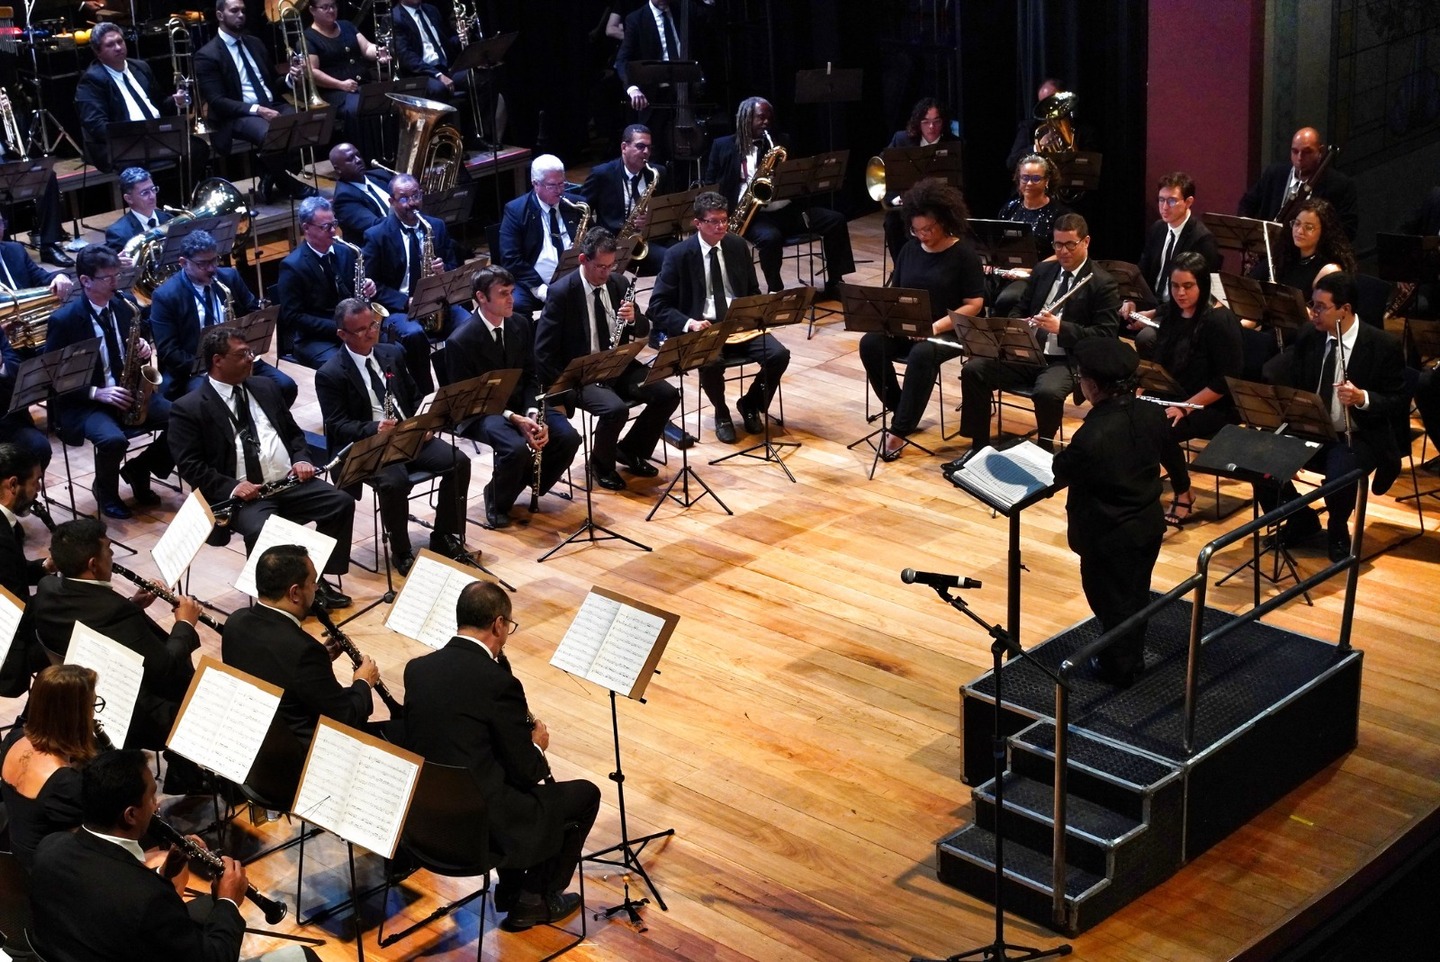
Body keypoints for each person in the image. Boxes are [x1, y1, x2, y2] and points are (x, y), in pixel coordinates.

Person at [402, 581, 599, 932]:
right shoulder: (497, 682)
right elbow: (526, 771)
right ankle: (533, 899)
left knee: (500, 780)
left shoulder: (417, 670)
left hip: (429, 820)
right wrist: (537, 743)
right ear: (498, 625)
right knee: (583, 795)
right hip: (480, 829)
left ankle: (510, 888)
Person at [29, 749, 321, 962]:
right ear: (130, 815)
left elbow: (107, 900)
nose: (156, 806)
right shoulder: (148, 900)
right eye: (151, 797)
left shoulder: (51, 848)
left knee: (206, 907)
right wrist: (230, 901)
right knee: (303, 957)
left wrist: (164, 875)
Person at [170, 328, 355, 609]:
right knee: (263, 529)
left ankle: (313, 582)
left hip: (287, 482)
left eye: (250, 352)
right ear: (218, 360)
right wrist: (233, 487)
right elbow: (190, 466)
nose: (251, 359)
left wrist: (301, 459)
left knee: (340, 502)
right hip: (245, 498)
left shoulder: (266, 387)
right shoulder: (189, 407)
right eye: (242, 354)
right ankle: (274, 602)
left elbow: (294, 434)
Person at [1259, 272, 1409, 562]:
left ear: (1346, 310)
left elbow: (1397, 400)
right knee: (1260, 460)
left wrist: (1362, 398)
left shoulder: (1382, 346)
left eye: (1320, 307)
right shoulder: (1309, 336)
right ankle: (1301, 520)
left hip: (1357, 435)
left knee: (1339, 478)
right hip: (1312, 429)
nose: (1312, 313)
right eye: (1312, 305)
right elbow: (1293, 380)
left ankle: (1338, 528)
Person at [316, 298, 471, 571]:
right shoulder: (330, 374)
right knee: (395, 481)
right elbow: (337, 425)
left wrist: (425, 421)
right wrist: (373, 428)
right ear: (342, 334)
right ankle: (401, 550)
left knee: (458, 462)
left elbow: (412, 395)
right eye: (361, 329)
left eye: (373, 325)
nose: (371, 332)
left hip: (407, 435)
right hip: (370, 446)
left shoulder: (392, 353)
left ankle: (444, 535)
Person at [1051, 338, 1170, 687]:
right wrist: (1182, 484)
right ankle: (1129, 655)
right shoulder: (1151, 412)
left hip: (1107, 535)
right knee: (1135, 593)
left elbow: (1063, 468)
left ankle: (1119, 667)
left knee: (1109, 601)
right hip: (1147, 526)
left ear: (1093, 385)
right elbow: (1170, 452)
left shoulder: (1093, 434)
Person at [32, 519, 201, 756]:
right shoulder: (114, 611)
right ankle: (185, 768)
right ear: (93, 564)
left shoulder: (47, 587)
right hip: (127, 709)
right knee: (201, 694)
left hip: (78, 694)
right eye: (109, 550)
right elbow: (165, 666)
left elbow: (93, 623)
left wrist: (134, 604)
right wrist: (185, 623)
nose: (112, 555)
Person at [959, 213, 1120, 452]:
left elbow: (1106, 336)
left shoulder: (1101, 283)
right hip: (1028, 353)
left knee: (1047, 392)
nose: (1063, 251)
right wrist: (1020, 324)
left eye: (1070, 244)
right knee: (974, 370)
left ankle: (1044, 450)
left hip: (1065, 360)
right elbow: (1018, 308)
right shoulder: (1044, 272)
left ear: (1086, 242)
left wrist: (1061, 328)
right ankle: (978, 446)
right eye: (1058, 244)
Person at [535, 228, 678, 491]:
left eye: (610, 266)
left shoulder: (619, 284)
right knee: (615, 410)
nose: (606, 273)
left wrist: (635, 318)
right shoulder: (562, 293)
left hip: (617, 365)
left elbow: (644, 330)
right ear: (583, 260)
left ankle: (629, 450)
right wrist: (565, 388)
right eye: (600, 266)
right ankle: (601, 464)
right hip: (581, 373)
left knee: (667, 394)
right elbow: (543, 352)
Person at [858, 178, 985, 460]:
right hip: (912, 327)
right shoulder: (910, 249)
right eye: (916, 230)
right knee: (870, 344)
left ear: (944, 220)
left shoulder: (963, 254)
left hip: (951, 331)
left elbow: (975, 305)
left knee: (922, 354)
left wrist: (935, 327)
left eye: (928, 229)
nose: (923, 235)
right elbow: (897, 293)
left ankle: (900, 430)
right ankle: (901, 406)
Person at [649, 190, 790, 444]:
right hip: (702, 327)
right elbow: (657, 305)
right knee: (711, 361)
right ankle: (722, 412)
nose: (721, 226)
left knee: (779, 355)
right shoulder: (678, 255)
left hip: (737, 324)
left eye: (724, 220)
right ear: (698, 223)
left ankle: (750, 403)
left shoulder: (737, 245)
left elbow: (752, 291)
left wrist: (753, 313)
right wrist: (689, 323)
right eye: (713, 221)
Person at [43, 244, 171, 520]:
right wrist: (96, 392)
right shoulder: (64, 321)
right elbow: (52, 376)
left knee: (184, 417)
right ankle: (106, 492)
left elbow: (140, 341)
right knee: (113, 440)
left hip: (129, 391)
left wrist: (146, 348)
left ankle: (140, 468)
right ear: (85, 281)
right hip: (85, 402)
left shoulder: (125, 306)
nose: (116, 282)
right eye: (108, 278)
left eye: (117, 275)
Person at [447, 267, 580, 527]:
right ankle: (496, 498)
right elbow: (467, 400)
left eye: (512, 292)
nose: (512, 299)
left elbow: (531, 375)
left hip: (521, 403)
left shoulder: (519, 323)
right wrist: (512, 417)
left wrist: (531, 411)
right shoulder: (460, 341)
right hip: (482, 412)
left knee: (568, 437)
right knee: (516, 449)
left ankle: (522, 483)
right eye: (503, 294)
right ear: (481, 298)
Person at [222, 544, 378, 743]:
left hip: (256, 733)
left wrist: (317, 667)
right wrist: (363, 682)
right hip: (298, 750)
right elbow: (345, 719)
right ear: (294, 593)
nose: (317, 588)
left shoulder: (235, 620)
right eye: (313, 582)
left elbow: (272, 665)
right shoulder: (304, 650)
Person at [704, 96, 855, 297]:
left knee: (835, 220)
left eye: (768, 118)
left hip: (786, 209)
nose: (766, 122)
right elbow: (710, 184)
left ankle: (836, 281)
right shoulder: (722, 145)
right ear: (745, 119)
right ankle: (776, 289)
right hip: (752, 214)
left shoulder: (779, 143)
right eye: (760, 118)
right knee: (770, 238)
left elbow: (799, 175)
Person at [1142, 252, 1244, 527]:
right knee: (1131, 416)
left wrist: (1186, 407)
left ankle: (1184, 491)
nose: (1180, 293)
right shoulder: (1173, 313)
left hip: (1213, 404)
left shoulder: (1218, 320)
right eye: (1175, 286)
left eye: (1188, 286)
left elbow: (1227, 380)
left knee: (1162, 429)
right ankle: (1139, 487)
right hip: (1177, 394)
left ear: (1202, 285)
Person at [149, 229, 297, 404]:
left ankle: (266, 426)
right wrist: (213, 366)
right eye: (203, 264)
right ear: (183, 263)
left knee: (285, 386)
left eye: (214, 260)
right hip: (194, 371)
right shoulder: (166, 296)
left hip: (238, 358)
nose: (212, 269)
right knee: (219, 401)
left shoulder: (229, 277)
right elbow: (169, 352)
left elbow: (252, 312)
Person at [195, 0, 315, 202]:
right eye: (234, 10)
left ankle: (267, 170)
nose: (241, 14)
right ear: (220, 15)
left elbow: (271, 83)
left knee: (303, 123)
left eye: (242, 10)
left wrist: (289, 79)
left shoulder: (255, 43)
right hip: (236, 115)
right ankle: (289, 184)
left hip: (270, 105)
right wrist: (257, 110)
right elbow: (217, 101)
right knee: (271, 133)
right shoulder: (207, 55)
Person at [361, 173, 464, 392]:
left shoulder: (436, 226)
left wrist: (444, 270)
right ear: (392, 201)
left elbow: (456, 267)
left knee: (469, 323)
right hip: (399, 308)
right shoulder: (376, 235)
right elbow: (372, 286)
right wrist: (405, 301)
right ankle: (425, 395)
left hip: (437, 302)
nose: (412, 203)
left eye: (416, 195)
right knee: (414, 335)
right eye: (404, 198)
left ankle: (459, 386)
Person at [0, 664, 100, 870]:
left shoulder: (14, 738)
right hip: (44, 871)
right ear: (75, 716)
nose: (93, 715)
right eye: (92, 706)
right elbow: (93, 838)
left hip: (13, 851)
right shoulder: (65, 782)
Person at [75, 23, 209, 174]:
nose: (118, 47)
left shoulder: (140, 67)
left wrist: (175, 101)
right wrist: (133, 135)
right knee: (136, 164)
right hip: (123, 144)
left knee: (197, 148)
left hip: (155, 136)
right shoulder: (91, 81)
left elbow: (159, 104)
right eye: (110, 45)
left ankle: (186, 196)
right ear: (97, 51)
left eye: (120, 41)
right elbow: (96, 125)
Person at [276, 195, 380, 369]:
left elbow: (351, 292)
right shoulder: (292, 266)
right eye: (326, 227)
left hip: (351, 329)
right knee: (345, 366)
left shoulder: (346, 252)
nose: (333, 231)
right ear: (306, 228)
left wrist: (368, 286)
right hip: (315, 338)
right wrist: (339, 328)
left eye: (334, 224)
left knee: (391, 350)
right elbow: (293, 317)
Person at [1121, 172, 1222, 340]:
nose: (1165, 207)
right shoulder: (1158, 229)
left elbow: (1197, 294)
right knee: (1108, 318)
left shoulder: (1202, 239)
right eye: (1161, 200)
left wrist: (1153, 314)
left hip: (1180, 309)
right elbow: (1142, 271)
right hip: (1153, 302)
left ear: (1189, 202)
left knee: (1146, 337)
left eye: (1172, 201)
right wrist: (1130, 300)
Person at [613, 0, 714, 161]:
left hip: (687, 92)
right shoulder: (636, 19)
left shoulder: (683, 9)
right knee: (655, 149)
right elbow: (622, 60)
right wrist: (632, 88)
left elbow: (708, 17)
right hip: (655, 96)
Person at [578, 124, 673, 275]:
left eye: (649, 147)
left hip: (646, 240)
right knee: (669, 260)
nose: (646, 152)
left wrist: (651, 220)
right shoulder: (602, 174)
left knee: (685, 253)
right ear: (624, 147)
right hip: (614, 244)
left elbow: (668, 211)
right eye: (640, 146)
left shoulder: (657, 173)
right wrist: (599, 239)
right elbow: (583, 212)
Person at [499, 155, 587, 316]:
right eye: (552, 185)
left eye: (562, 184)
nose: (560, 191)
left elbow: (593, 241)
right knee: (516, 305)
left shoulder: (577, 206)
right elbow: (511, 259)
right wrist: (540, 289)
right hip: (534, 284)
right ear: (535, 184)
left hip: (576, 277)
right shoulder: (516, 211)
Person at [1238, 126, 1358, 239]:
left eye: (1307, 152)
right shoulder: (1274, 174)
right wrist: (1250, 240)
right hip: (1270, 254)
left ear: (1320, 151)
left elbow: (1348, 229)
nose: (1299, 158)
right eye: (1295, 151)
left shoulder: (1340, 185)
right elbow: (1247, 204)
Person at [879, 97, 960, 262]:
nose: (931, 127)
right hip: (907, 204)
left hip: (940, 205)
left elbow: (960, 182)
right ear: (918, 123)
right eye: (926, 122)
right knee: (892, 222)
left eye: (937, 121)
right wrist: (894, 198)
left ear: (943, 122)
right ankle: (902, 267)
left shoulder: (954, 144)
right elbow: (881, 171)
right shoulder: (901, 140)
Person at [0, 89, 74, 267]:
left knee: (46, 174)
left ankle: (49, 244)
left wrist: (10, 113)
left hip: (5, 159)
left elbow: (19, 139)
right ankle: (5, 245)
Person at [0, 443, 51, 696]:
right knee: (80, 635)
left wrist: (45, 566)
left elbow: (10, 573)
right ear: (12, 485)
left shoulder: (6, 525)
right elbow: (19, 607)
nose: (39, 489)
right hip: (7, 651)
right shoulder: (2, 536)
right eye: (36, 481)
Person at [303, 0, 390, 145]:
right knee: (360, 107)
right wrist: (340, 85)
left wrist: (378, 52)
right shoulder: (308, 37)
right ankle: (364, 154)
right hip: (334, 93)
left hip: (362, 85)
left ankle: (385, 150)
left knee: (386, 101)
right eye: (324, 7)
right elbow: (312, 72)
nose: (330, 10)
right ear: (312, 10)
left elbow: (367, 47)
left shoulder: (347, 25)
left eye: (333, 6)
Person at [0, 322, 54, 470]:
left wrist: (1, 365)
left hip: (8, 421)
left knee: (39, 448)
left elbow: (16, 367)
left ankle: (20, 492)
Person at [328, 142, 393, 241]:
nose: (358, 160)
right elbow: (376, 226)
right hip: (379, 249)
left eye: (358, 155)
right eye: (350, 159)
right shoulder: (344, 199)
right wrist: (406, 214)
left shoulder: (381, 175)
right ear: (338, 169)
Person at [103, 167, 174, 256]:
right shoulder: (118, 234)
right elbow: (116, 267)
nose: (152, 196)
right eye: (145, 193)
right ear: (129, 199)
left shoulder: (169, 219)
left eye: (153, 189)